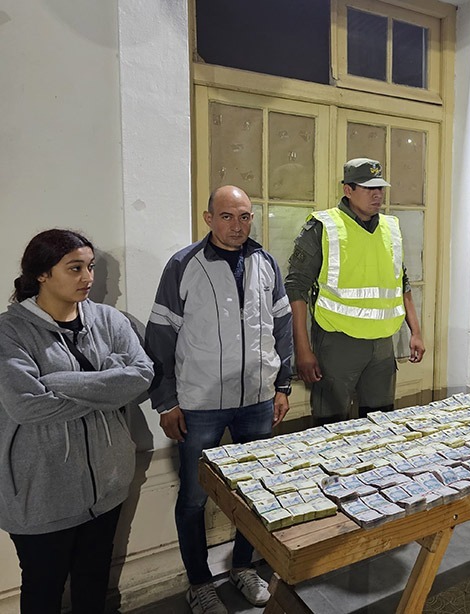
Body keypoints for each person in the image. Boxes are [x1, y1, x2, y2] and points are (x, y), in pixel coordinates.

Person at [145, 186, 293, 614]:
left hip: (257, 401)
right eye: (227, 216)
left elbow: (281, 327)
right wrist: (166, 401)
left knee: (255, 492)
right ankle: (199, 583)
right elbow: (160, 336)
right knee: (194, 497)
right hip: (200, 404)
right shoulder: (184, 265)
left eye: (244, 216)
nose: (237, 226)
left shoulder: (266, 263)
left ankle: (243, 567)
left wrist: (282, 386)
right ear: (209, 218)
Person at [0, 229, 154, 614]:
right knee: (43, 589)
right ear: (42, 274)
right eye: (75, 268)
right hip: (41, 493)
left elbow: (141, 376)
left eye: (91, 267)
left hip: (108, 486)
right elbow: (27, 406)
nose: (88, 278)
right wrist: (107, 383)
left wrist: (55, 382)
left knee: (93, 581)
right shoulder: (9, 331)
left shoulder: (109, 320)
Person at [285, 158, 424, 425]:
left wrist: (415, 332)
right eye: (368, 188)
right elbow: (295, 288)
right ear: (348, 190)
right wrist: (302, 349)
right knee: (331, 426)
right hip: (338, 343)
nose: (377, 194)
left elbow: (401, 282)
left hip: (382, 346)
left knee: (380, 424)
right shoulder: (323, 226)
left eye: (380, 188)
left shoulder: (391, 228)